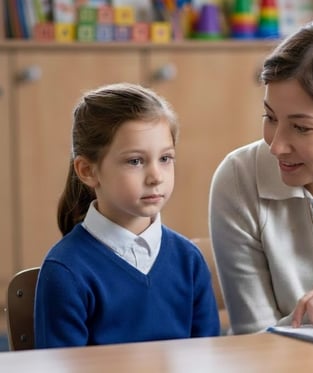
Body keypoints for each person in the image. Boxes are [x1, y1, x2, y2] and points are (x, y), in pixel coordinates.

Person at [209, 16, 313, 335]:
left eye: (301, 127)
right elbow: (254, 334)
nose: (276, 145)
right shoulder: (239, 177)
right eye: (269, 117)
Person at [35, 83, 220, 348]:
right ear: (88, 170)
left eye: (165, 158)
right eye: (135, 161)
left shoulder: (189, 261)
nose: (156, 176)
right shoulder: (66, 271)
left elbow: (208, 357)